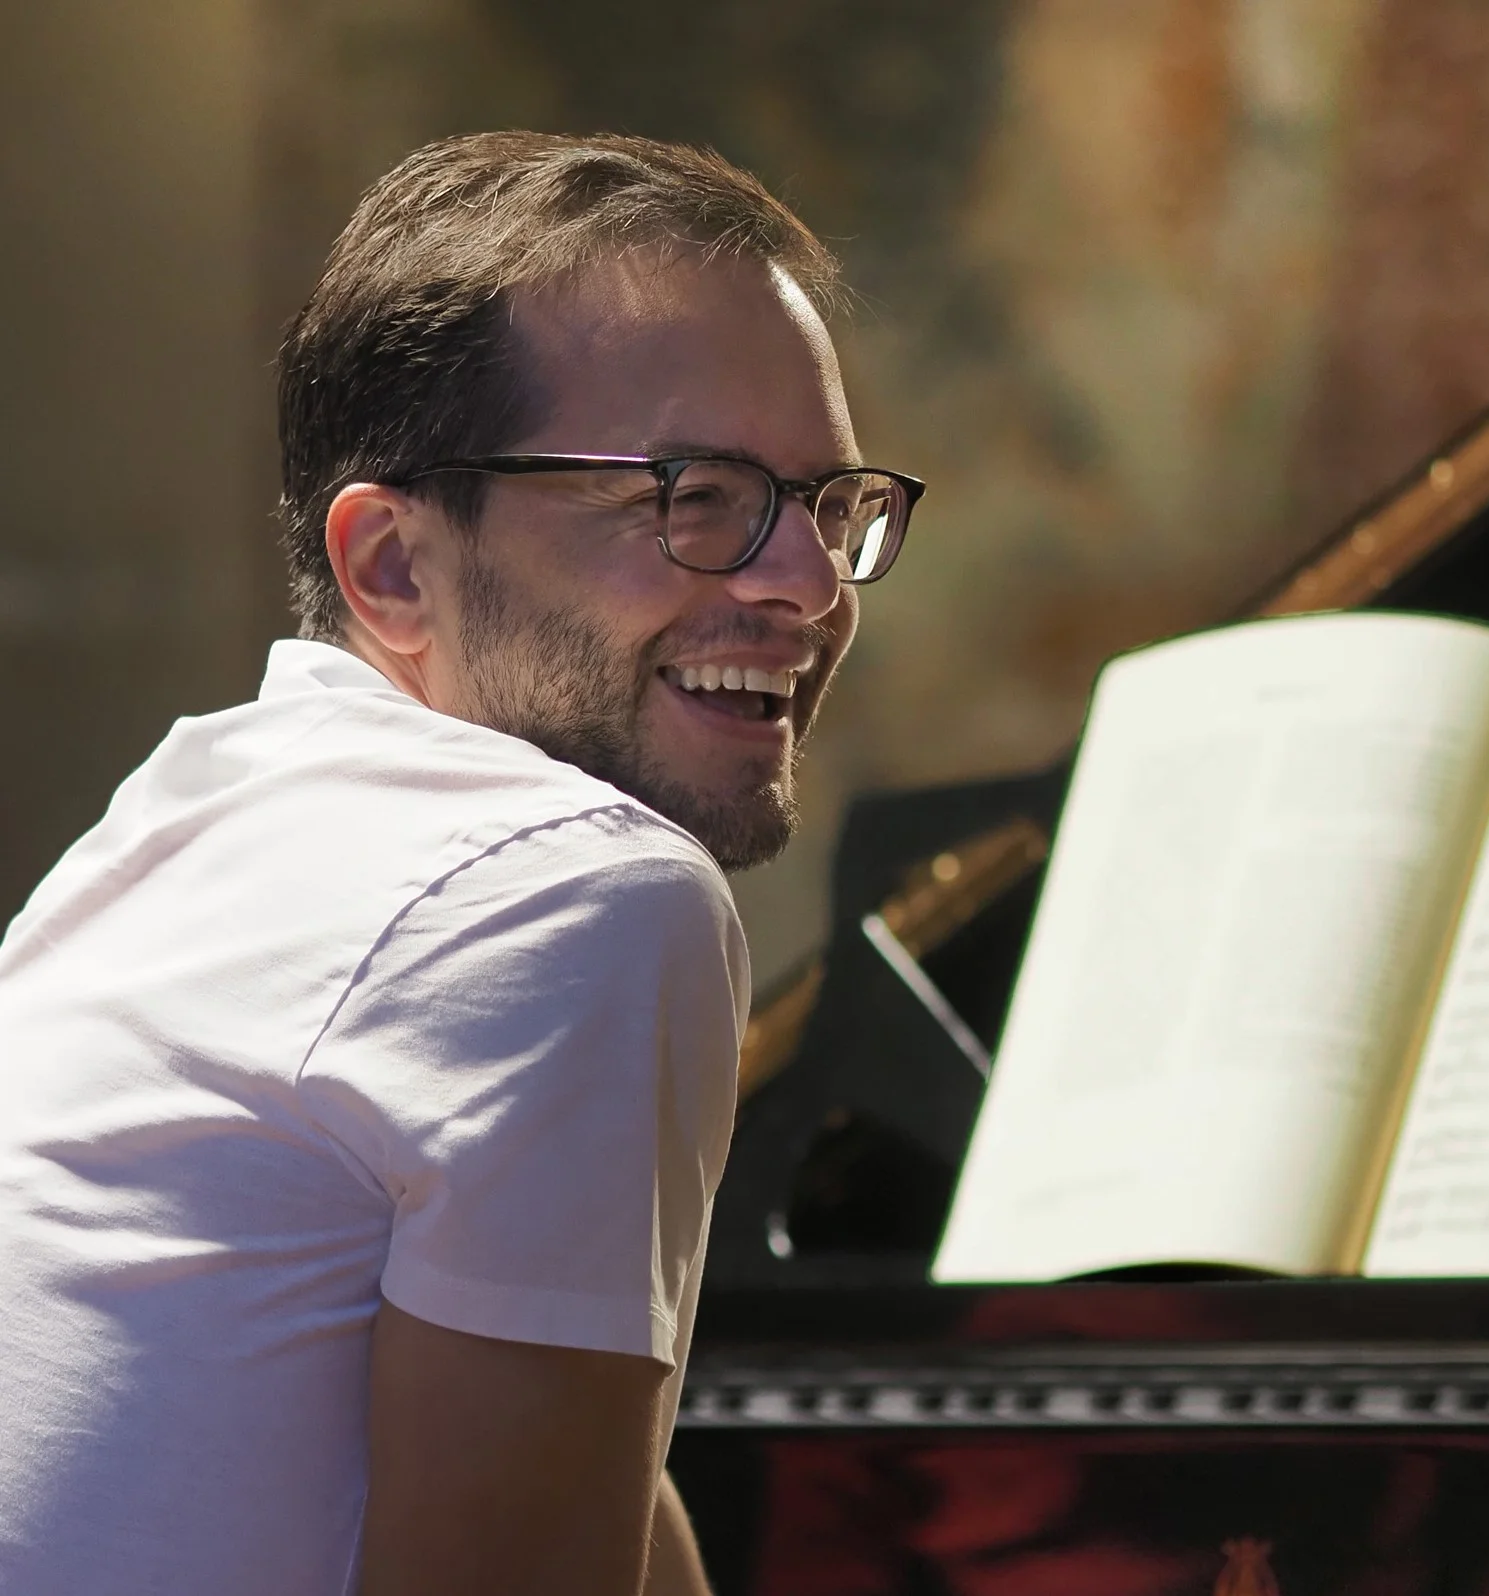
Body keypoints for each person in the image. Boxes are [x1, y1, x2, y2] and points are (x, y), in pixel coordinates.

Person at [0, 131, 919, 1595]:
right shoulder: (580, 889)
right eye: (694, 496)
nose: (806, 585)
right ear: (392, 567)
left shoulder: (186, 827)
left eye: (827, 506)